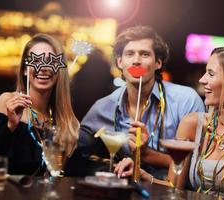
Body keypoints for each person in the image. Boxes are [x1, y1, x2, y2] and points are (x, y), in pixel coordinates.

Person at [115, 37, 224, 199]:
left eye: (211, 74)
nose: (202, 80)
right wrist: (141, 174)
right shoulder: (192, 123)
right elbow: (174, 187)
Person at [78, 25, 205, 178]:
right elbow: (76, 150)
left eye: (144, 54)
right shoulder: (103, 107)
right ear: (120, 62)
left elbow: (199, 166)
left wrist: (146, 154)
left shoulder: (186, 101)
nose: (136, 61)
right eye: (129, 54)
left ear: (158, 63)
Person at [0, 34, 80, 176]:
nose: (43, 68)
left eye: (50, 62)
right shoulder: (6, 102)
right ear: (24, 70)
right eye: (36, 60)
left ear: (60, 70)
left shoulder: (68, 124)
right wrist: (10, 126)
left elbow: (70, 178)